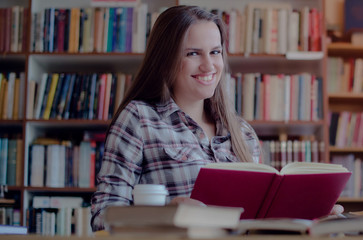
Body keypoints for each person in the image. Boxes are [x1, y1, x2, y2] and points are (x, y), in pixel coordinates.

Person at [90, 5, 342, 232]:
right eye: (192, 54)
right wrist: (164, 215)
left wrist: (308, 218)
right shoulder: (139, 119)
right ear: (166, 58)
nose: (209, 66)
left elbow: (259, 227)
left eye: (215, 51)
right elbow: (103, 217)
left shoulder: (243, 133)